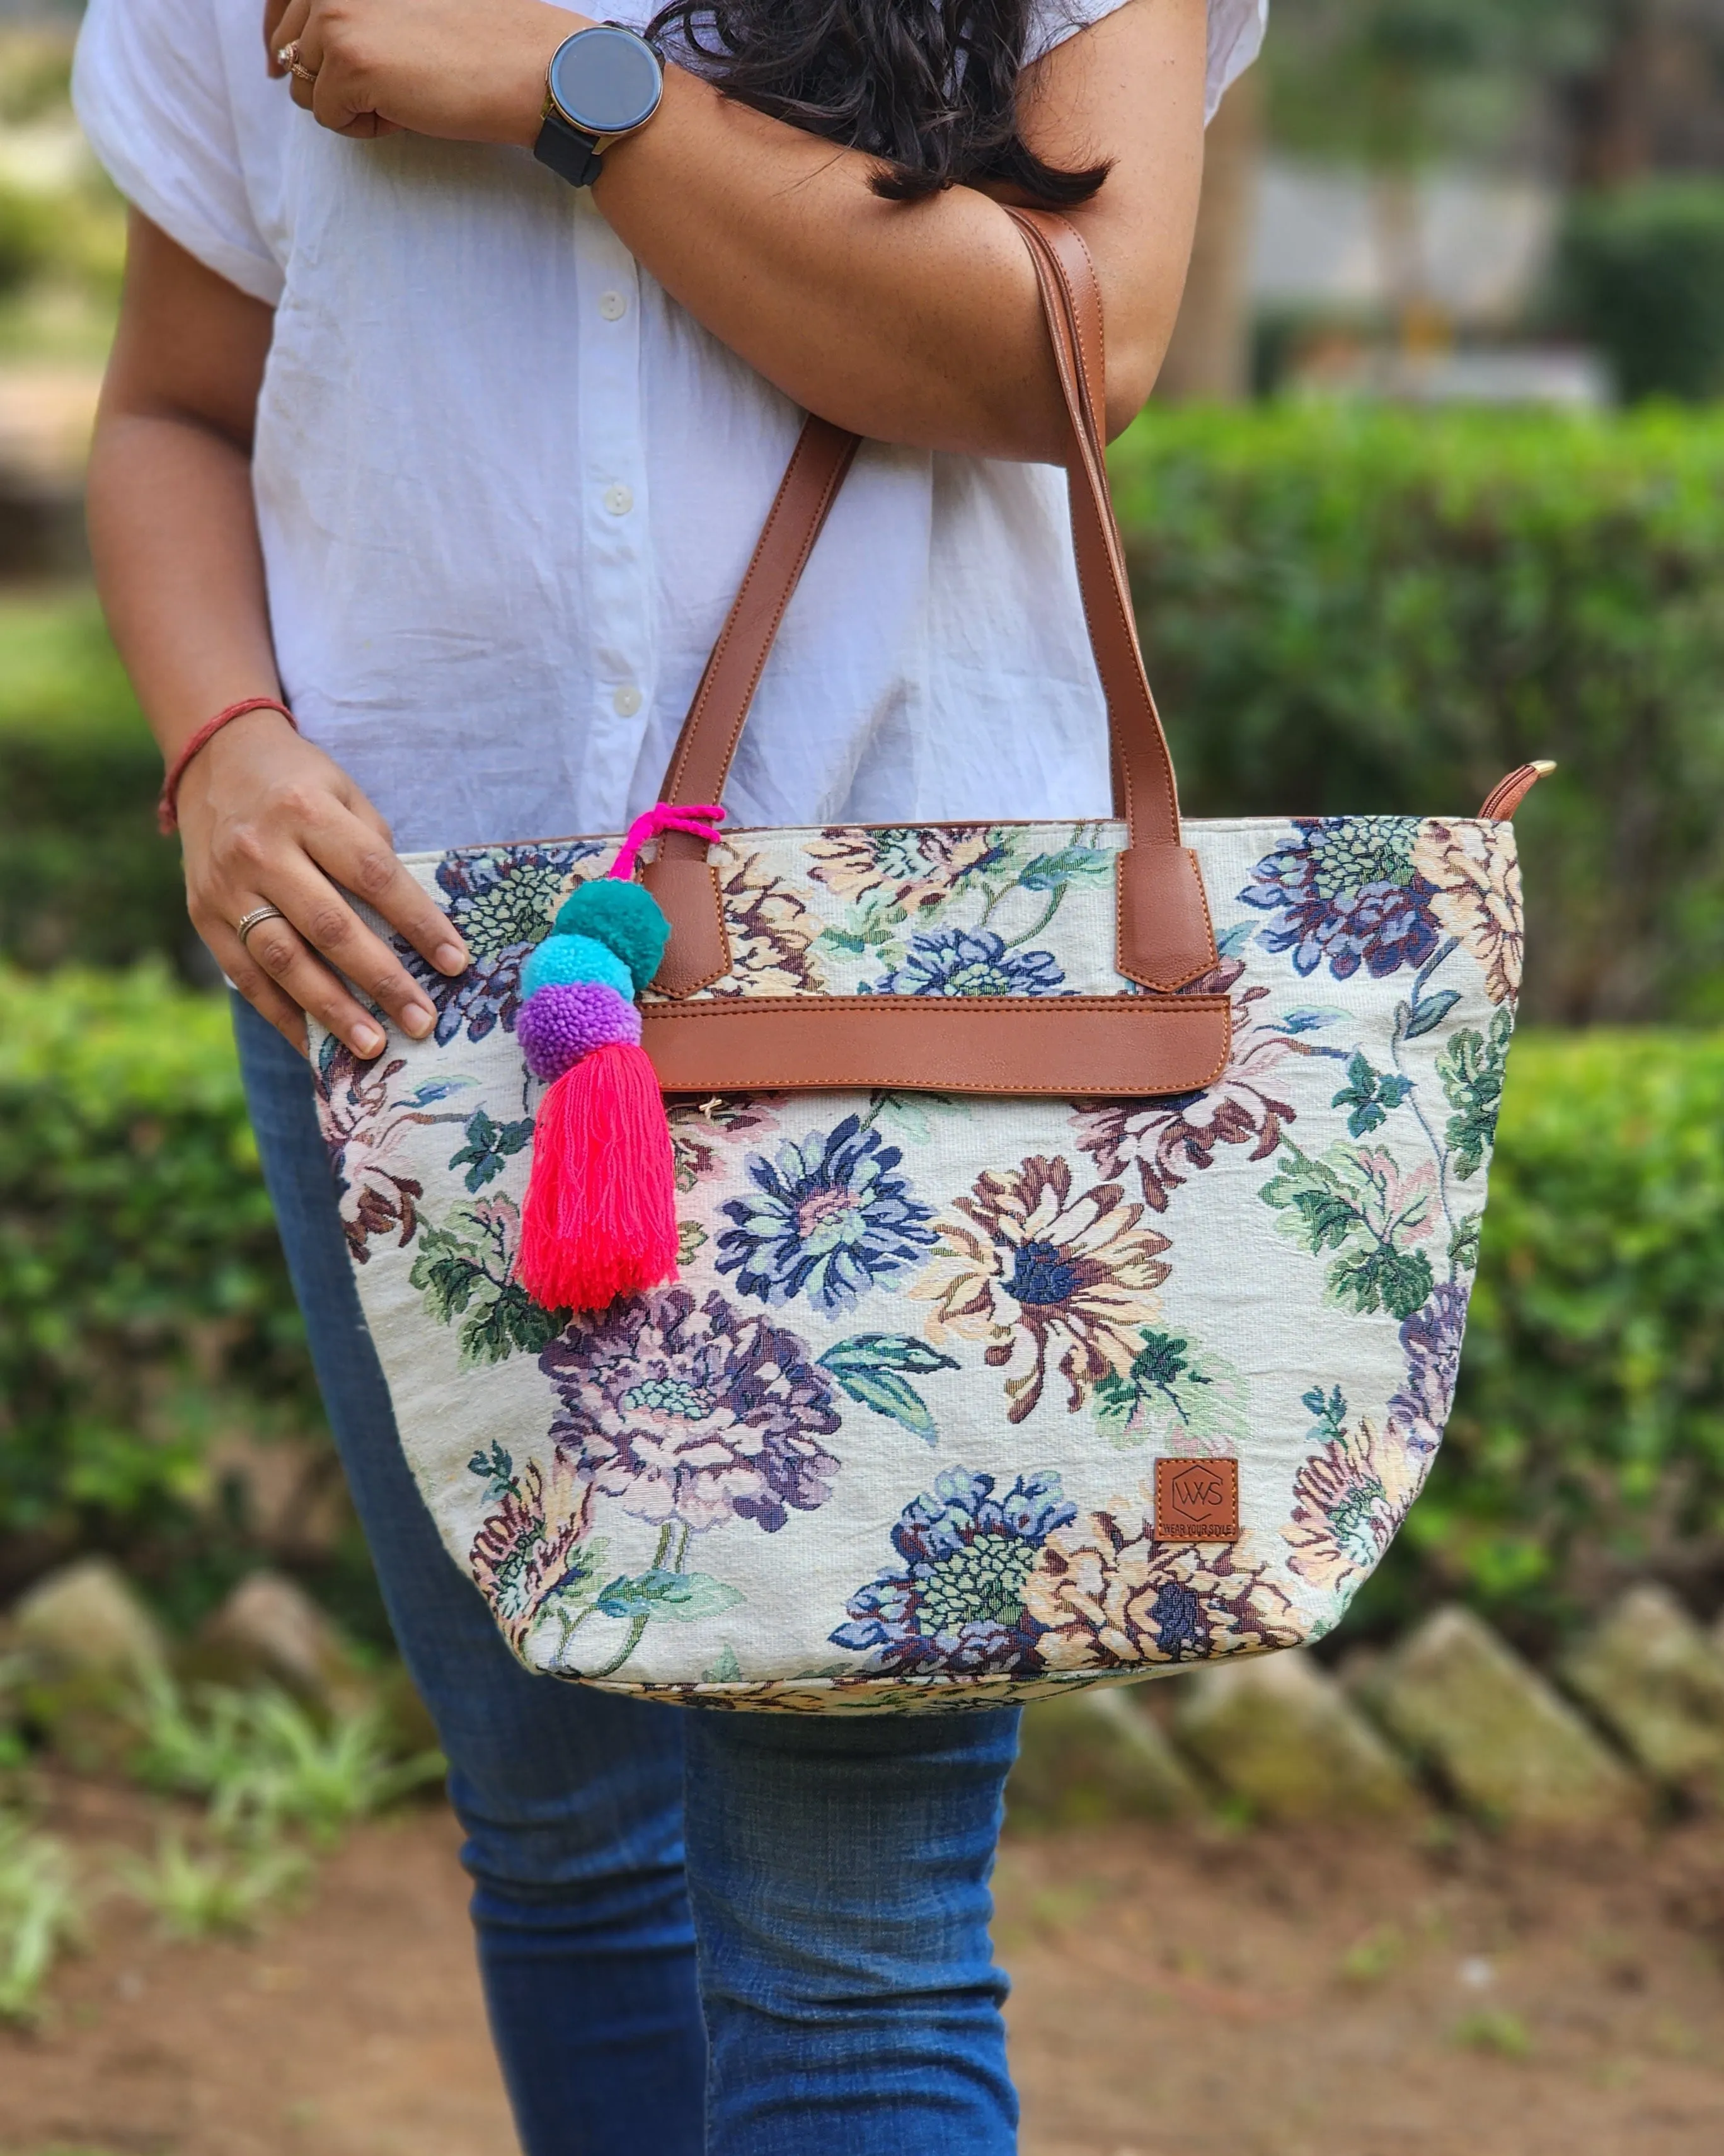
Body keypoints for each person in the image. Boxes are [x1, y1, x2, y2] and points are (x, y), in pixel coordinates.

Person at [73, 0, 1265, 2147]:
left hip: (905, 990)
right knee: (565, 1846)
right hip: (408, 985)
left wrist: (564, 84)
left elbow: (1067, 352)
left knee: (852, 1935)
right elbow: (171, 410)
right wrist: (220, 736)